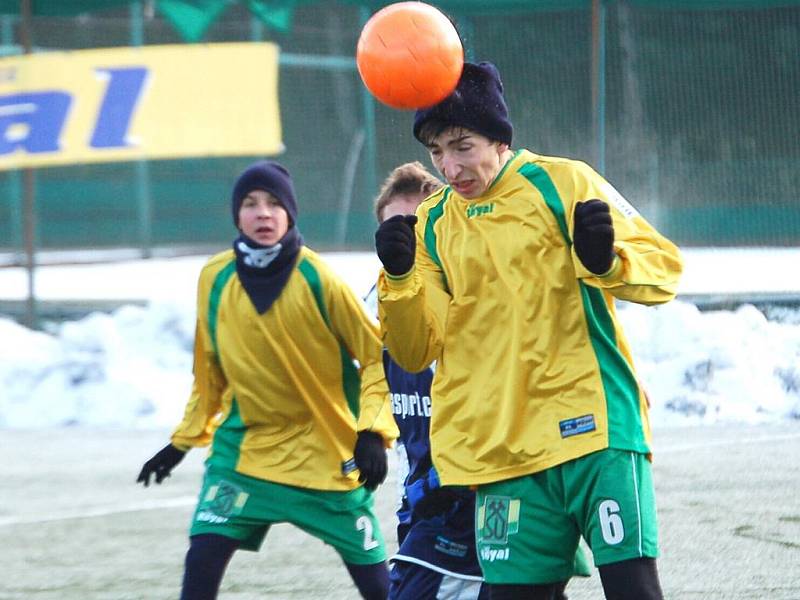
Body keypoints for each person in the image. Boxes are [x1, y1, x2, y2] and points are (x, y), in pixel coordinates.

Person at [373, 62, 683, 600]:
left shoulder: (564, 182)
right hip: (502, 458)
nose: (450, 166)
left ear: (498, 138)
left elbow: (664, 271)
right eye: (436, 152)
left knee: (635, 590)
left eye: (462, 145)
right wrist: (397, 280)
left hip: (592, 435)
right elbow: (414, 348)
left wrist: (605, 258)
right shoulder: (432, 227)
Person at [137, 160, 398, 600]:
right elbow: (208, 373)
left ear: (291, 215)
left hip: (325, 460)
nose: (263, 213)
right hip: (244, 458)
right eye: (251, 204)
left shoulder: (319, 278)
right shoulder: (214, 278)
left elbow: (377, 358)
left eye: (275, 204)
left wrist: (373, 431)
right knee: (201, 561)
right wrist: (182, 442)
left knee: (378, 588)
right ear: (236, 215)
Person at [370, 162, 590, 600]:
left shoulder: (481, 304)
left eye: (414, 225)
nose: (405, 238)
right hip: (424, 512)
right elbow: (370, 386)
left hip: (485, 500)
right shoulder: (383, 310)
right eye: (394, 228)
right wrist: (370, 431)